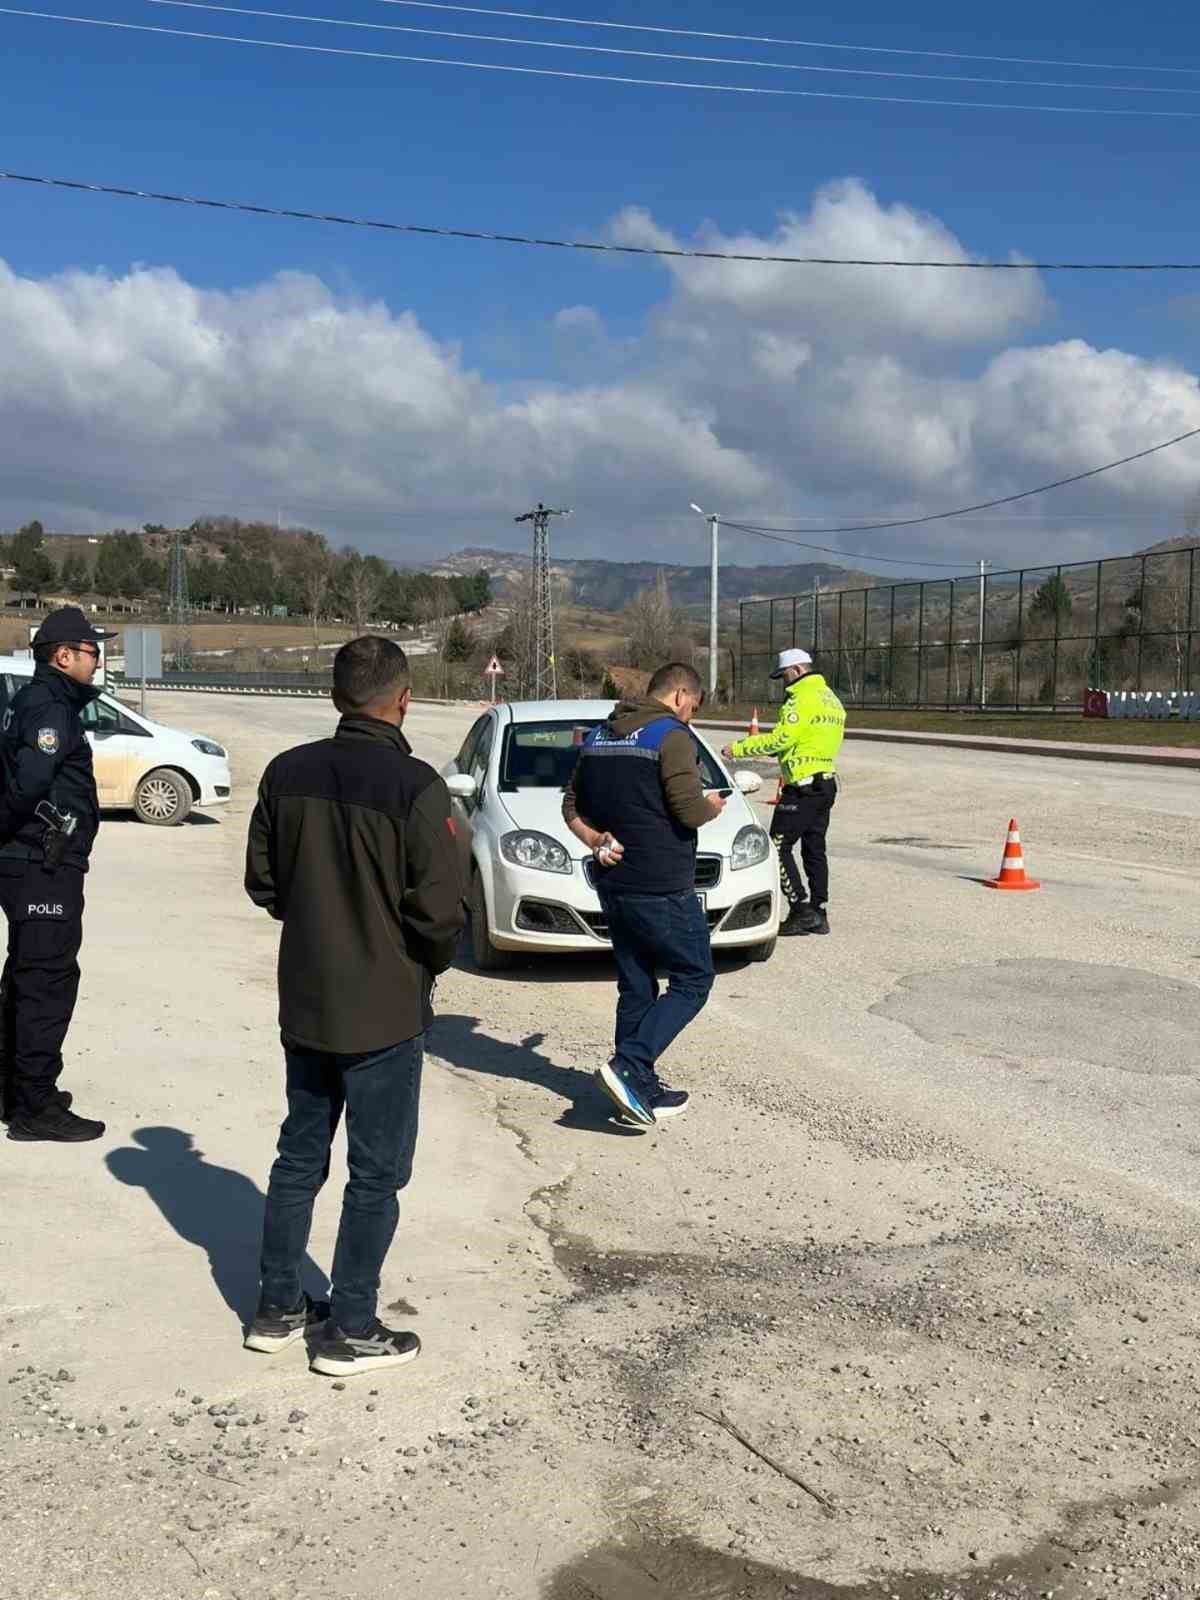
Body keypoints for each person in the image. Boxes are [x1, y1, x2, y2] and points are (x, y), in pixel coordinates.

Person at [244, 637, 465, 1378]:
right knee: (376, 1173)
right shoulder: (416, 787)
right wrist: (422, 960)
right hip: (384, 1011)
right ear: (403, 699)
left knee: (299, 1154)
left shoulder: (286, 772)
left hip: (306, 1000)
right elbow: (441, 910)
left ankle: (277, 1307)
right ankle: (351, 1326)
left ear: (338, 695)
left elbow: (264, 883)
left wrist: (317, 918)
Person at [563, 661, 723, 1128]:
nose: (690, 715)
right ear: (680, 696)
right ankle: (629, 1065)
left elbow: (570, 805)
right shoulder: (671, 736)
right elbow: (689, 811)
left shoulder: (599, 736)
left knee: (636, 984)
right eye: (693, 707)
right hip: (661, 884)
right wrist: (713, 805)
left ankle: (637, 1084)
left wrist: (596, 840)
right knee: (694, 978)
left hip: (614, 882)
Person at [0, 606, 116, 1143]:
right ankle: (35, 1108)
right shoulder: (50, 707)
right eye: (93, 651)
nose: (99, 661)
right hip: (42, 864)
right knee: (46, 984)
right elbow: (26, 787)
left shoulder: (40, 700)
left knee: (26, 977)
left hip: (33, 862)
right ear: (64, 656)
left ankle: (16, 1090)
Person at [724, 647, 846, 938]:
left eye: (784, 675)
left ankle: (801, 910)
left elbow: (781, 739)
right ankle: (819, 911)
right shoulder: (831, 699)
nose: (784, 682)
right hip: (825, 783)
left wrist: (738, 749)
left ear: (797, 670)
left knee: (777, 848)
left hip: (802, 787)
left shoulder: (801, 699)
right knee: (814, 847)